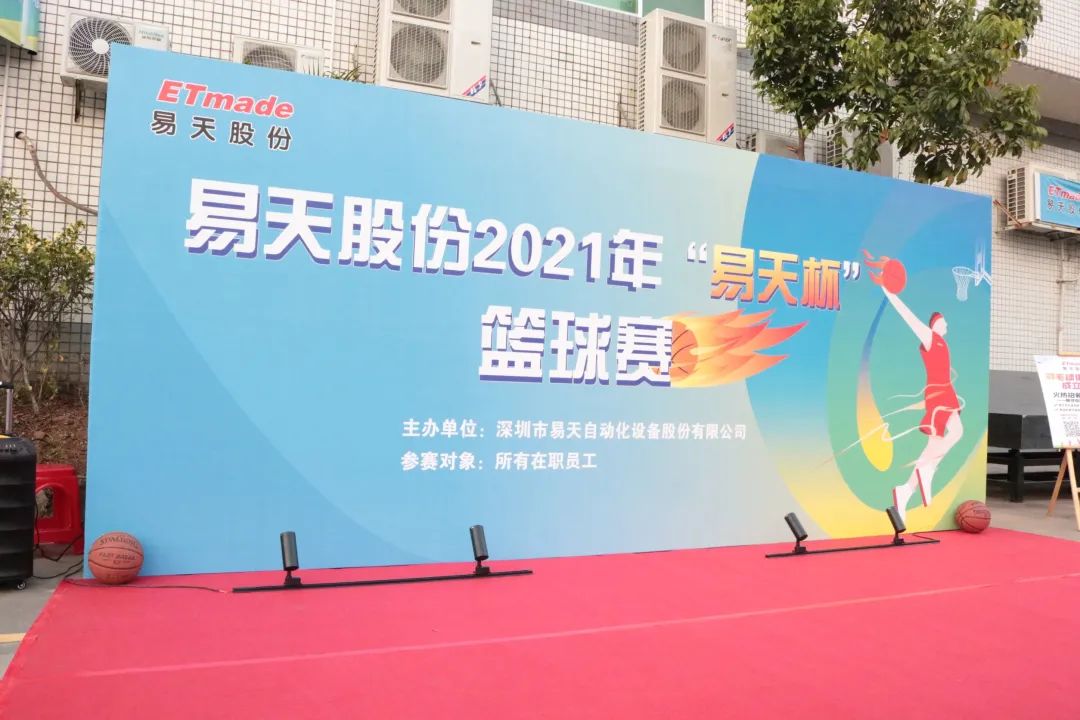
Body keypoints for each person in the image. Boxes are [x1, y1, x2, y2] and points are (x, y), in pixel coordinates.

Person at [882, 289, 964, 522]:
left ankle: (906, 490)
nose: (947, 324)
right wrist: (889, 292)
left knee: (946, 438)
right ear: (935, 324)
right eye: (944, 321)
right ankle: (926, 471)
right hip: (938, 393)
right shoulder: (930, 338)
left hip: (946, 391)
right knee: (948, 436)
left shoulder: (941, 342)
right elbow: (908, 316)